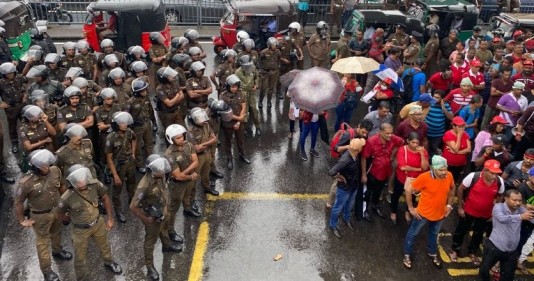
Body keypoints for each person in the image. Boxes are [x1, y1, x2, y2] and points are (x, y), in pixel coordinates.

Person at [14, 149, 71, 281]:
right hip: (40, 216)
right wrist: (22, 220)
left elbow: (61, 186)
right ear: (35, 167)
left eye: (48, 164)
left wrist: (66, 204)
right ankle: (47, 270)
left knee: (57, 233)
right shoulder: (25, 183)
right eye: (43, 166)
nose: (47, 168)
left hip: (56, 211)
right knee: (43, 243)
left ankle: (57, 251)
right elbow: (18, 203)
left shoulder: (55, 170)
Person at [58, 165, 122, 280]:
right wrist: (66, 219)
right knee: (80, 257)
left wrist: (110, 218)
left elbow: (106, 198)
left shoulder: (95, 184)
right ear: (72, 182)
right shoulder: (66, 197)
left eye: (83, 180)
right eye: (78, 182)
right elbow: (59, 213)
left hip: (98, 223)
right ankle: (81, 277)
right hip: (80, 230)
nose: (82, 184)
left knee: (105, 245)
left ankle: (109, 262)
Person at [130, 154, 182, 281]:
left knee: (164, 229)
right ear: (151, 170)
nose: (162, 171)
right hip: (151, 216)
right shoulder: (144, 185)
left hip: (163, 210)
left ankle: (167, 245)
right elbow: (133, 206)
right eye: (159, 169)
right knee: (150, 242)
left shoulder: (161, 176)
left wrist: (165, 209)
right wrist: (145, 219)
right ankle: (150, 267)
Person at [403, 155, 455, 270]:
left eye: (445, 169)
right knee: (413, 233)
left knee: (434, 234)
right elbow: (408, 189)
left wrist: (449, 205)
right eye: (440, 170)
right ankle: (407, 254)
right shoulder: (424, 177)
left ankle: (432, 253)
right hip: (422, 214)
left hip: (440, 214)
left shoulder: (449, 175)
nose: (444, 172)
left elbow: (452, 188)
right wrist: (411, 208)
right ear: (432, 168)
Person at [449, 160, 505, 265]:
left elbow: (501, 195)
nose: (494, 176)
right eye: (492, 173)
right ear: (484, 170)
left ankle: (472, 251)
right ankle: (455, 249)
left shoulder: (499, 181)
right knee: (461, 230)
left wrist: (495, 211)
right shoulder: (473, 177)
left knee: (478, 233)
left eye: (496, 173)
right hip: (468, 211)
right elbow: (460, 189)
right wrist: (460, 208)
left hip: (485, 214)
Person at [478, 189, 534, 281]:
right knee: (484, 270)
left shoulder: (521, 209)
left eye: (520, 200)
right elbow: (502, 218)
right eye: (514, 200)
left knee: (508, 276)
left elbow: (531, 218)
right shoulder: (498, 207)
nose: (518, 203)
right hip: (494, 247)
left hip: (511, 251)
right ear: (506, 199)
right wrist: (520, 217)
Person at [361, 123, 404, 221]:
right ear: (380, 132)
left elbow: (401, 142)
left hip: (385, 172)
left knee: (379, 190)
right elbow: (364, 158)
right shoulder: (372, 141)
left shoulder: (392, 138)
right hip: (373, 172)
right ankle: (364, 210)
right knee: (368, 192)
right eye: (387, 133)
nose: (390, 135)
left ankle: (375, 205)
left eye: (391, 133)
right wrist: (364, 174)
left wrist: (392, 155)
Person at [328, 138, 366, 238]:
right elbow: (331, 172)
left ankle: (346, 218)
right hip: (344, 188)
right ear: (358, 149)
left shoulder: (355, 155)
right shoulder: (345, 160)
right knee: (338, 207)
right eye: (361, 146)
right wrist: (340, 177)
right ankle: (332, 225)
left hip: (353, 185)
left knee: (349, 205)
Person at [164, 124, 200, 226]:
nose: (181, 139)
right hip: (177, 185)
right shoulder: (169, 154)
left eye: (182, 136)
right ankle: (170, 230)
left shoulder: (188, 145)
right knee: (173, 207)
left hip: (188, 177)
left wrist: (184, 173)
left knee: (187, 195)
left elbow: (196, 162)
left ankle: (187, 209)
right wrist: (190, 175)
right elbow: (177, 177)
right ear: (171, 139)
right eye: (178, 138)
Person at [105, 112, 137, 223]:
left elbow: (134, 139)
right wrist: (115, 175)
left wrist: (133, 153)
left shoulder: (129, 132)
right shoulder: (111, 137)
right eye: (122, 123)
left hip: (129, 163)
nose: (125, 124)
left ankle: (132, 202)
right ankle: (118, 211)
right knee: (117, 189)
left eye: (126, 122)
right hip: (118, 166)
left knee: (132, 184)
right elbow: (109, 158)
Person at [392, 132, 429, 224]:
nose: (416, 145)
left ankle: (408, 212)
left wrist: (421, 155)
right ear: (408, 141)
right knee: (396, 194)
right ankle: (393, 212)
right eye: (413, 142)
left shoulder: (423, 152)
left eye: (417, 142)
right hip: (402, 178)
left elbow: (424, 167)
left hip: (415, 180)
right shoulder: (402, 150)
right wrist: (418, 168)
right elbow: (403, 167)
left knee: (412, 197)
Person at [219, 74, 250, 170]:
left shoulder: (241, 93)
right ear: (228, 86)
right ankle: (229, 159)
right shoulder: (222, 96)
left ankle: (242, 155)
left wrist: (239, 122)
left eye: (236, 86)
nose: (235, 88)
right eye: (232, 86)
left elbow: (244, 106)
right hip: (228, 122)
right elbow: (225, 113)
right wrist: (239, 119)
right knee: (228, 142)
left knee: (240, 140)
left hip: (239, 121)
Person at [125, 79, 155, 173]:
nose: (145, 92)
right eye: (142, 91)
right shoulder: (130, 102)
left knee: (149, 144)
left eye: (145, 90)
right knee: (137, 147)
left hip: (147, 123)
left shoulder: (146, 98)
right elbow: (126, 116)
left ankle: (151, 161)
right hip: (137, 127)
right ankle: (139, 164)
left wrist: (154, 122)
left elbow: (150, 110)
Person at [0, 62, 29, 153]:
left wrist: (25, 94)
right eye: (8, 74)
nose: (10, 75)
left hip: (22, 105)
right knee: (12, 127)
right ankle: (14, 142)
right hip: (10, 109)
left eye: (12, 73)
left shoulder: (19, 78)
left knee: (27, 123)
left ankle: (30, 138)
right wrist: (0, 104)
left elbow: (29, 81)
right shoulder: (1, 83)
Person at [235, 55, 261, 136]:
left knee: (254, 111)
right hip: (243, 94)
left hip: (252, 93)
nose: (248, 67)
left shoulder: (253, 68)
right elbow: (235, 84)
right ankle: (245, 128)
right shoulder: (237, 72)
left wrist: (256, 85)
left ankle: (258, 127)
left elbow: (257, 77)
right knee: (244, 112)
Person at [425, 90, 454, 159]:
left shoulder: (446, 105)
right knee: (426, 149)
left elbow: (451, 117)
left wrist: (443, 108)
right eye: (434, 97)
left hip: (438, 134)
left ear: (442, 99)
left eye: (437, 98)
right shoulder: (429, 103)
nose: (435, 99)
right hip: (427, 132)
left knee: (435, 149)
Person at [442, 116, 472, 182]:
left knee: (454, 179)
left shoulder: (465, 134)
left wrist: (457, 152)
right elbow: (455, 148)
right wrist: (459, 136)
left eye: (463, 126)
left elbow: (469, 149)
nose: (461, 129)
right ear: (453, 126)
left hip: (460, 163)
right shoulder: (448, 134)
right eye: (459, 127)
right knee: (446, 179)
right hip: (449, 163)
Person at [258, 37, 281, 109]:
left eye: (275, 45)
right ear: (269, 45)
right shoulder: (263, 52)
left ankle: (269, 101)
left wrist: (276, 69)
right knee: (263, 88)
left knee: (271, 88)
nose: (274, 46)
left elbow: (279, 60)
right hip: (265, 72)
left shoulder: (277, 52)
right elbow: (259, 62)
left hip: (274, 72)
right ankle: (260, 101)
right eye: (273, 45)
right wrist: (261, 71)